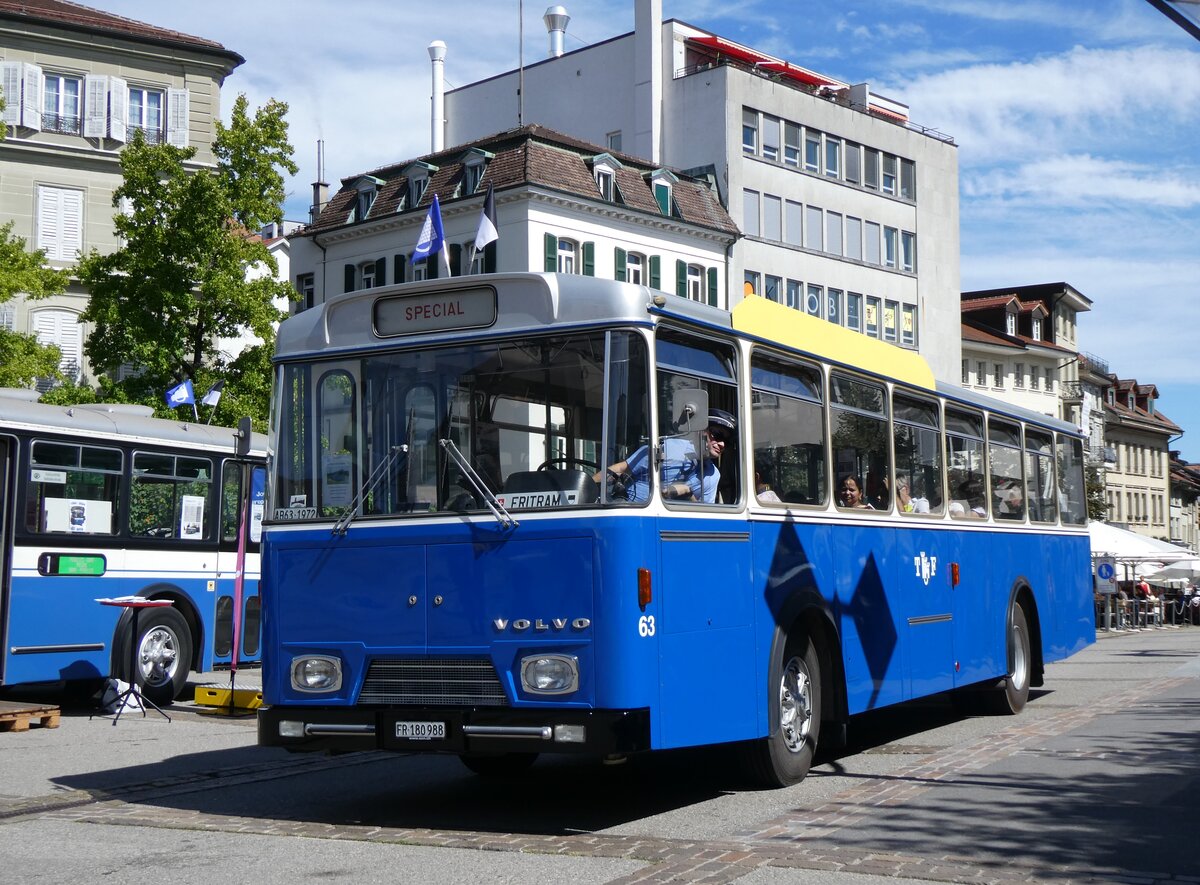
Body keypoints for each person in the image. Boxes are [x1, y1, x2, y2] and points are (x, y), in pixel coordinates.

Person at [602, 409, 735, 503]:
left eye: (727, 442)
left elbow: (705, 517)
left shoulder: (713, 475)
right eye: (718, 435)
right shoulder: (669, 448)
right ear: (702, 431)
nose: (722, 444)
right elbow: (619, 469)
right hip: (633, 514)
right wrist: (588, 486)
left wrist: (688, 495)